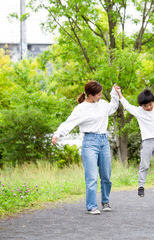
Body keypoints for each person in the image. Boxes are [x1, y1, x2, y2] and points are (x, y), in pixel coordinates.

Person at [52, 81, 119, 215]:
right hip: (90, 142)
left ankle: (105, 202)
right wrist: (57, 134)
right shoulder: (81, 109)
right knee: (92, 177)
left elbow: (113, 107)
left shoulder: (102, 104)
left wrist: (114, 93)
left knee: (106, 175)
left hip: (103, 141)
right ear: (90, 95)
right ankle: (92, 206)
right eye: (98, 94)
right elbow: (69, 123)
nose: (100, 96)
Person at [114, 78, 154, 198]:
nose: (149, 107)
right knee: (144, 165)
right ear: (141, 106)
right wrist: (119, 93)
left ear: (153, 102)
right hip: (147, 142)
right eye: (146, 106)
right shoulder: (139, 112)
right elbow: (127, 106)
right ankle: (141, 186)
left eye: (150, 104)